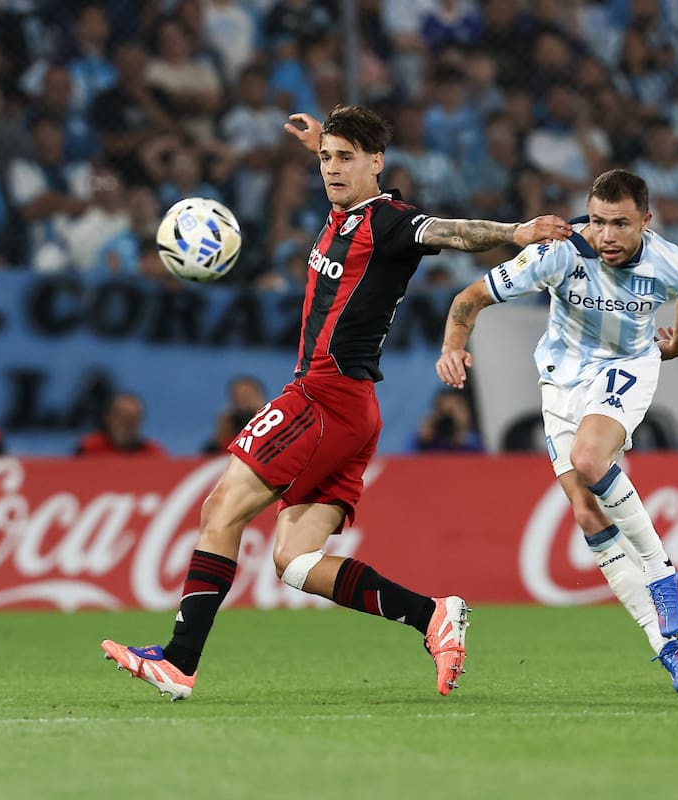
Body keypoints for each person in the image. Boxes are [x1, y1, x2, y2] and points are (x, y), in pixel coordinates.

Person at [101, 105, 572, 700]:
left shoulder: (392, 223)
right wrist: (324, 143)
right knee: (295, 560)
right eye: (326, 159)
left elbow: (450, 232)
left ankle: (178, 660)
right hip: (353, 411)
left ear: (378, 163)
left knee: (221, 511)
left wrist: (514, 234)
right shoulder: (345, 210)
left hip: (322, 398)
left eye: (345, 158)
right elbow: (343, 168)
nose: (331, 168)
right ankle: (432, 615)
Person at [436, 169, 678, 693]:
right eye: (598, 221)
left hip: (627, 364)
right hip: (561, 380)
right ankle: (668, 645)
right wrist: (452, 347)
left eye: (621, 224)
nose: (606, 235)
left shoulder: (672, 263)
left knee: (589, 459)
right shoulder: (559, 251)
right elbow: (469, 299)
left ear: (646, 222)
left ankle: (662, 574)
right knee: (586, 514)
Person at [75, 392, 166, 456]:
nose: (127, 423)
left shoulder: (153, 454)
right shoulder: (88, 449)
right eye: (122, 416)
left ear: (141, 421)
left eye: (133, 418)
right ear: (109, 418)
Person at [202, 376, 268, 454]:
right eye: (241, 397)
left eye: (248, 396)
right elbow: (206, 457)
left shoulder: (276, 420)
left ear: (260, 396)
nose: (246, 402)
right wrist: (221, 435)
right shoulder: (230, 426)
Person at [413, 388, 484, 453]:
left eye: (453, 411)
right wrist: (422, 443)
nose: (450, 418)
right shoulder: (428, 445)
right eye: (444, 413)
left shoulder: (476, 446)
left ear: (466, 413)